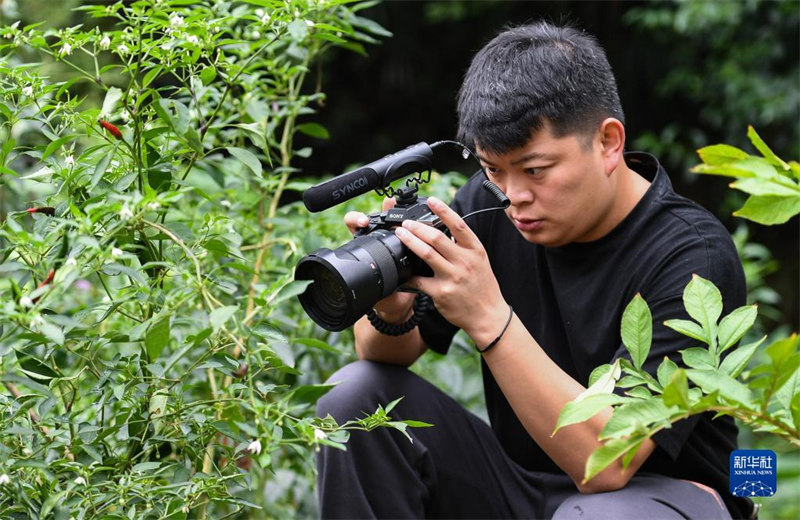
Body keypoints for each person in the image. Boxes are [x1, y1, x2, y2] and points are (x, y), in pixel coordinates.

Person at [316, 21, 755, 520]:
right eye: (492, 168)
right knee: (354, 398)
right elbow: (381, 353)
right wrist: (391, 307)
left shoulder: (693, 258)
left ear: (609, 143)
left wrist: (488, 317)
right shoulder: (489, 204)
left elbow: (607, 462)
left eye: (535, 170)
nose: (515, 197)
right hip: (521, 488)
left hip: (658, 497)